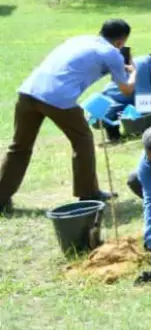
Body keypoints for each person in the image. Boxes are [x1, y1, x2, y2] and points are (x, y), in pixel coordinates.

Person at [0, 20, 136, 213]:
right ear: (121, 42)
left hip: (28, 91)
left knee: (19, 147)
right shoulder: (112, 53)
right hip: (59, 99)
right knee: (83, 141)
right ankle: (88, 194)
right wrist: (135, 72)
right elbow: (126, 89)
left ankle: (0, 199)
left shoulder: (80, 39)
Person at [95, 42, 151, 143]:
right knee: (98, 121)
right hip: (116, 100)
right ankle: (114, 131)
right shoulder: (141, 65)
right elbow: (144, 97)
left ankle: (141, 129)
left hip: (135, 101)